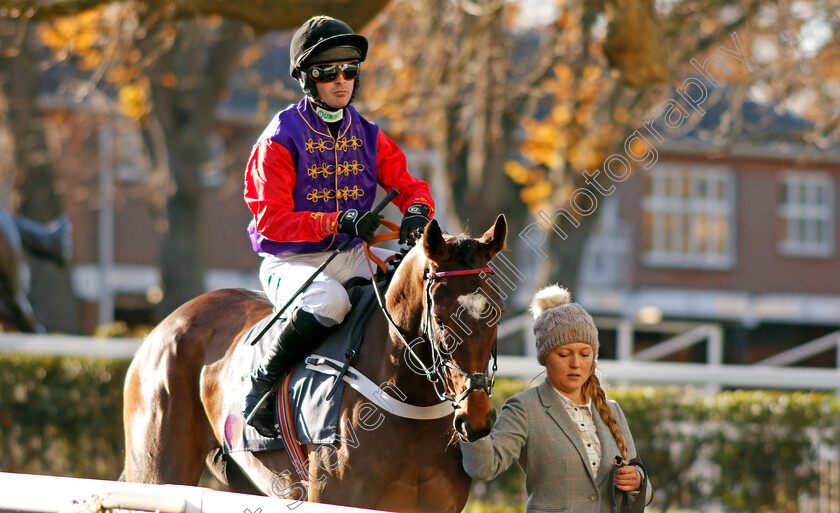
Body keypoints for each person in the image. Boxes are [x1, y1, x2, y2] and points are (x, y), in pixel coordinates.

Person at [242, 15, 435, 437]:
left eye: (349, 71)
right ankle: (260, 388)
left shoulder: (367, 133)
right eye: (327, 72)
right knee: (330, 303)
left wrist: (418, 211)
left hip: (351, 256)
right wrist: (340, 219)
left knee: (422, 280)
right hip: (291, 261)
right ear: (306, 79)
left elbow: (410, 185)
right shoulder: (279, 137)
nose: (341, 81)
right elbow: (271, 220)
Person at [460, 285, 652, 512]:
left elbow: (644, 490)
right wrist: (471, 425)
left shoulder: (612, 411)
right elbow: (484, 468)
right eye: (563, 354)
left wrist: (638, 481)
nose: (576, 364)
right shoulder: (524, 408)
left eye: (584, 354)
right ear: (545, 357)